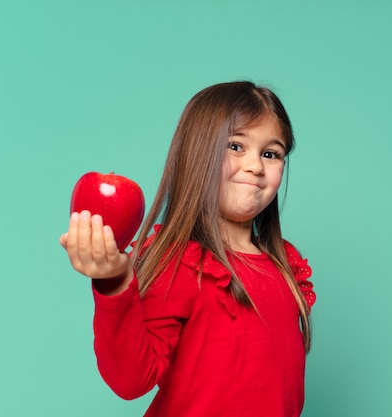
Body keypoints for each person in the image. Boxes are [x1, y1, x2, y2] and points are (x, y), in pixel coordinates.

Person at [60, 81, 316, 417]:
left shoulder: (285, 265)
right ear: (198, 154)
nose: (255, 165)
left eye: (271, 153)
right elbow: (130, 380)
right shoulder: (181, 262)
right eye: (236, 146)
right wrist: (114, 282)